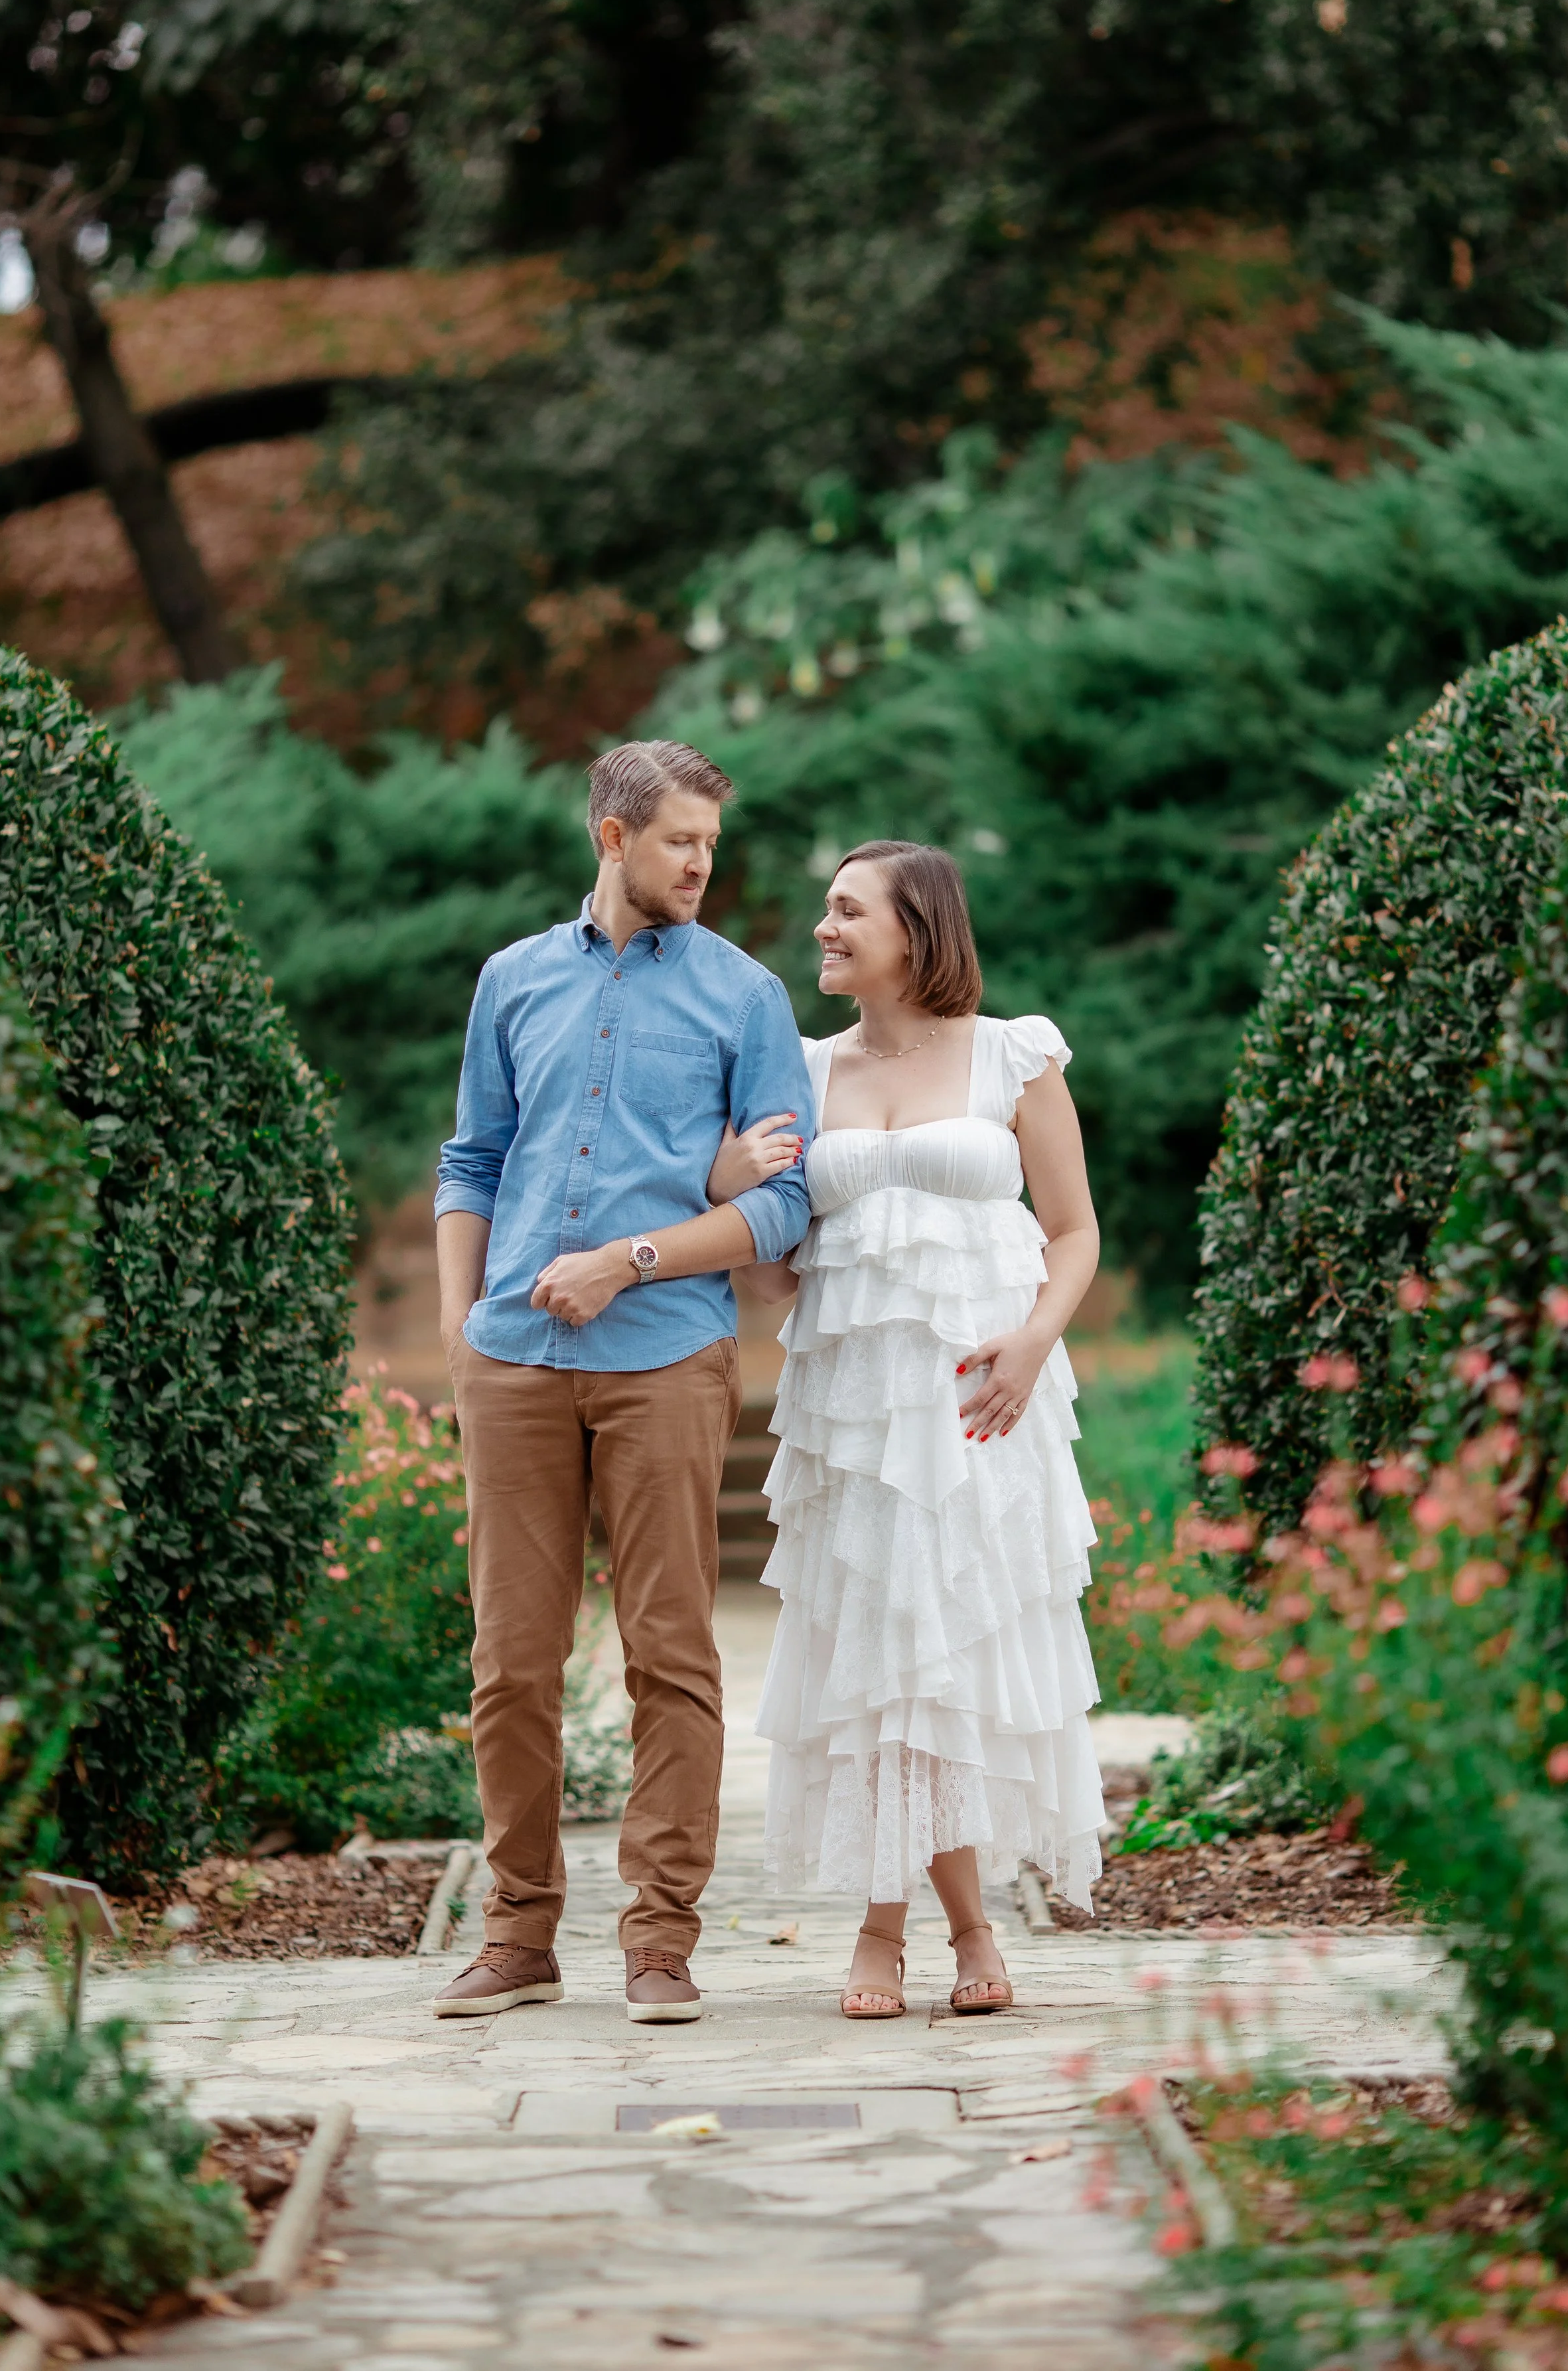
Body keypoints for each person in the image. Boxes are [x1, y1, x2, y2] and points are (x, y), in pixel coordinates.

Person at [431, 739, 815, 2026]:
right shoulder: (512, 980)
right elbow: (472, 1158)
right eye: (677, 841)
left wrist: (625, 1261)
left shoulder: (743, 995)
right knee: (512, 1663)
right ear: (612, 836)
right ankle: (518, 1933)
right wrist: (460, 1328)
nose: (701, 863)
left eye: (710, 843)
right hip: (514, 1364)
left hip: (665, 1357)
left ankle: (659, 1941)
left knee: (670, 1654)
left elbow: (783, 1203)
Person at [710, 840, 1105, 2017]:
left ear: (916, 927)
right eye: (826, 909)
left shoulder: (1014, 1054)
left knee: (956, 1659)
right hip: (851, 1415)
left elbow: (1075, 1230)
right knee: (881, 1660)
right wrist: (730, 1189)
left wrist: (1032, 1345)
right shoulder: (807, 1069)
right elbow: (774, 1280)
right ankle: (908, 1933)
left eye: (846, 910)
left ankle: (944, 1931)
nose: (821, 928)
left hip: (983, 1404)